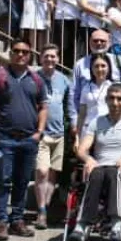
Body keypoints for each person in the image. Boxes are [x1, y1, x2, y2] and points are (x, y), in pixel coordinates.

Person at [0, 39, 48, 241]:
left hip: (28, 140)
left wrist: (39, 132)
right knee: (2, 180)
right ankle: (0, 221)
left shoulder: (36, 80)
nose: (20, 54)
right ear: (11, 53)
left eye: (25, 52)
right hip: (3, 140)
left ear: (30, 55)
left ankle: (17, 220)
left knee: (22, 181)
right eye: (17, 51)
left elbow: (43, 107)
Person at [68, 84, 121, 241]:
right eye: (111, 98)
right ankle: (81, 227)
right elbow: (82, 149)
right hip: (99, 166)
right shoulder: (97, 122)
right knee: (96, 173)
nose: (115, 102)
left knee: (112, 172)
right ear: (106, 100)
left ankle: (116, 227)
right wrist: (88, 159)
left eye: (120, 99)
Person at [34, 44, 73, 230]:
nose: (50, 59)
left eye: (53, 56)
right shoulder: (34, 78)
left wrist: (72, 126)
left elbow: (70, 106)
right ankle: (41, 209)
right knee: (41, 172)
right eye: (46, 56)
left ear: (58, 59)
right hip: (41, 134)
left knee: (52, 175)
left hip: (59, 134)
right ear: (41, 58)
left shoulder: (64, 80)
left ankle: (45, 209)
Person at [71, 30, 121, 127]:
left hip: (116, 121)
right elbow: (74, 94)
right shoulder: (80, 64)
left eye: (102, 41)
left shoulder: (118, 61)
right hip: (88, 122)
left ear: (109, 42)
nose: (99, 43)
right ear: (89, 42)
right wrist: (74, 120)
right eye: (95, 41)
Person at [51, 0, 82, 68]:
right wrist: (48, 17)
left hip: (75, 18)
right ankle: (60, 68)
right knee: (61, 45)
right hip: (61, 17)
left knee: (72, 45)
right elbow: (52, 1)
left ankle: (69, 69)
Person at [77, 53, 113, 136]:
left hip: (107, 131)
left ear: (109, 68)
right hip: (88, 131)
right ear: (91, 69)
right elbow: (82, 114)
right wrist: (77, 136)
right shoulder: (86, 88)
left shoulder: (113, 87)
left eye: (103, 66)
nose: (100, 69)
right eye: (96, 66)